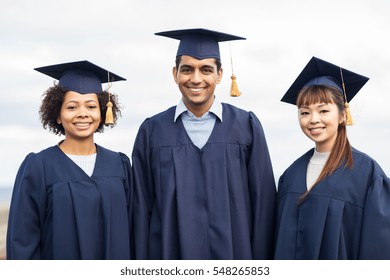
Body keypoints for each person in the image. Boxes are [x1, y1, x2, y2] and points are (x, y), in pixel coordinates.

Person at [132, 28, 276, 260]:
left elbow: (264, 204)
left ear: (219, 75)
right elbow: (141, 209)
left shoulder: (246, 126)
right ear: (174, 74)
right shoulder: (152, 131)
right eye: (187, 69)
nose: (196, 79)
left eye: (206, 70)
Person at [6, 60, 133, 259]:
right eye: (72, 107)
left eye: (91, 106)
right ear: (57, 114)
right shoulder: (39, 167)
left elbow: (133, 231)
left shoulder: (120, 165)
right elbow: (23, 241)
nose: (82, 114)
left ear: (102, 111)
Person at [275, 56, 390, 259]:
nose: (313, 120)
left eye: (324, 110)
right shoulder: (291, 174)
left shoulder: (367, 174)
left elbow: (379, 246)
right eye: (304, 112)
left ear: (343, 115)